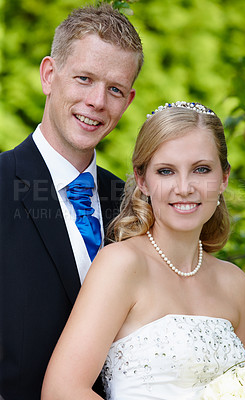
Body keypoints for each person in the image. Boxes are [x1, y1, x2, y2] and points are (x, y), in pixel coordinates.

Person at [40, 101, 245, 400]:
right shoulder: (122, 264)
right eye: (166, 171)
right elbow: (61, 391)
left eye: (201, 169)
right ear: (143, 181)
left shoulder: (234, 282)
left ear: (223, 179)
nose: (184, 187)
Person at [0, 4, 143, 400]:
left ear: (127, 101)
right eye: (84, 79)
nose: (97, 101)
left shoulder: (137, 206)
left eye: (114, 89)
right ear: (49, 75)